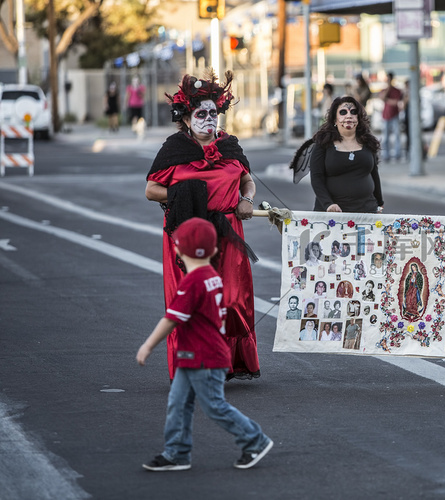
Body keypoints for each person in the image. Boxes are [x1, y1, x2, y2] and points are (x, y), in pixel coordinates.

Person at [145, 71, 261, 381]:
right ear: (185, 117)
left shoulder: (230, 147)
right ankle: (198, 366)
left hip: (228, 232)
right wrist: (186, 194)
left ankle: (228, 359)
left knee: (234, 299)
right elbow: (151, 190)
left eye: (213, 112)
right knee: (194, 303)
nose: (208, 118)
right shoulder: (174, 149)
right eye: (201, 113)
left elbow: (247, 181)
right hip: (188, 234)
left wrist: (248, 200)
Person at [136, 218, 273, 471]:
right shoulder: (211, 276)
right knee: (178, 403)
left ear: (178, 249)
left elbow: (171, 319)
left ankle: (255, 440)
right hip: (194, 355)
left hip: (204, 358)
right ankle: (176, 452)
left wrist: (147, 346)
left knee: (214, 405)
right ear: (211, 250)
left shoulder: (191, 282)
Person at [309, 96, 385, 213]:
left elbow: (374, 173)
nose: (349, 116)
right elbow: (316, 176)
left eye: (353, 112)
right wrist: (328, 204)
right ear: (335, 119)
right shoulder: (323, 143)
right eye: (343, 112)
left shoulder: (368, 142)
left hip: (366, 212)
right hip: (333, 214)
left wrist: (379, 203)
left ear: (358, 118)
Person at [379, 72, 403, 162]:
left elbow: (396, 102)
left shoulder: (397, 91)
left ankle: (397, 154)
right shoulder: (384, 90)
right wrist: (388, 88)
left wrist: (387, 100)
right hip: (385, 116)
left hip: (395, 115)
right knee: (385, 137)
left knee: (397, 136)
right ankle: (386, 155)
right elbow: (382, 98)